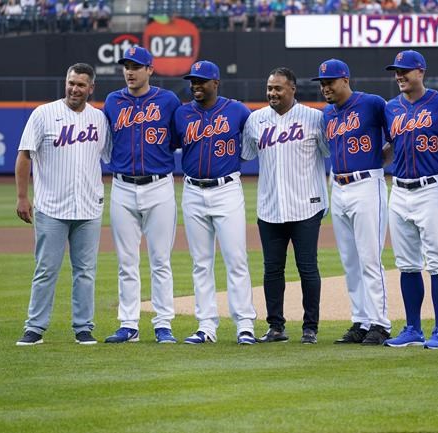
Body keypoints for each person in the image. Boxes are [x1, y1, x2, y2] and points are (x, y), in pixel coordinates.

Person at [15, 63, 111, 346]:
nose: (74, 88)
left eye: (81, 84)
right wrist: (22, 197)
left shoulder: (99, 119)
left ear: (91, 88)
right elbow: (24, 156)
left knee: (85, 271)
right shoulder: (43, 114)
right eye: (71, 82)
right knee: (46, 270)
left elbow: (106, 156)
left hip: (89, 208)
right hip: (51, 208)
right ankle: (35, 327)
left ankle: (83, 328)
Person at [241, 67, 329, 344]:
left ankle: (310, 328)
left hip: (306, 204)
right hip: (270, 207)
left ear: (293, 89)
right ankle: (275, 327)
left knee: (307, 268)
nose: (272, 93)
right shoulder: (256, 120)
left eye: (278, 88)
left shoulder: (315, 118)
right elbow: (246, 154)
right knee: (272, 269)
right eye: (269, 88)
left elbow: (329, 151)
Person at [173, 60, 257, 345]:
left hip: (226, 190)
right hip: (193, 190)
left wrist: (235, 162)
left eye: (201, 81)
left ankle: (244, 324)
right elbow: (172, 143)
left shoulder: (237, 110)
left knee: (236, 259)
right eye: (193, 80)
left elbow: (250, 145)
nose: (196, 85)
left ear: (215, 83)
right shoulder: (182, 113)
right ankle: (206, 325)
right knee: (201, 262)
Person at [103, 46, 180, 344]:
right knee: (126, 260)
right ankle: (129, 324)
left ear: (150, 69)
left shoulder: (168, 100)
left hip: (159, 185)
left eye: (136, 66)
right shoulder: (113, 101)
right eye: (126, 66)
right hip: (122, 186)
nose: (130, 71)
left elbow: (175, 139)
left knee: (160, 260)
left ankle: (163, 325)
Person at [311, 59, 391, 345]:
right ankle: (361, 320)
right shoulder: (327, 114)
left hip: (366, 184)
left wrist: (381, 160)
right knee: (350, 261)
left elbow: (396, 135)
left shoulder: (372, 103)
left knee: (370, 258)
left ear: (345, 79)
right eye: (322, 83)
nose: (325, 87)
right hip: (340, 186)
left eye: (330, 81)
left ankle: (380, 324)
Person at [381, 50, 438, 350]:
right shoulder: (390, 108)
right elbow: (389, 146)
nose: (399, 75)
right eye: (396, 71)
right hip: (398, 190)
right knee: (407, 263)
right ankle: (413, 328)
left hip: (432, 189)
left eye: (405, 71)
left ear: (420, 72)